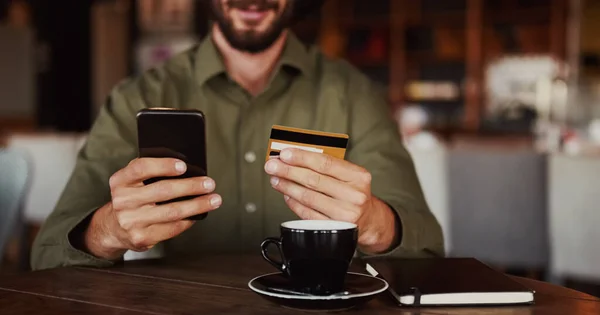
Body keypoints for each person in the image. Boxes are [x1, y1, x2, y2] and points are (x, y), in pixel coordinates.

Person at [31, 0, 444, 270]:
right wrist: (109, 231)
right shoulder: (138, 96)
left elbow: (427, 248)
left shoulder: (353, 94)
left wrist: (372, 221)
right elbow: (48, 254)